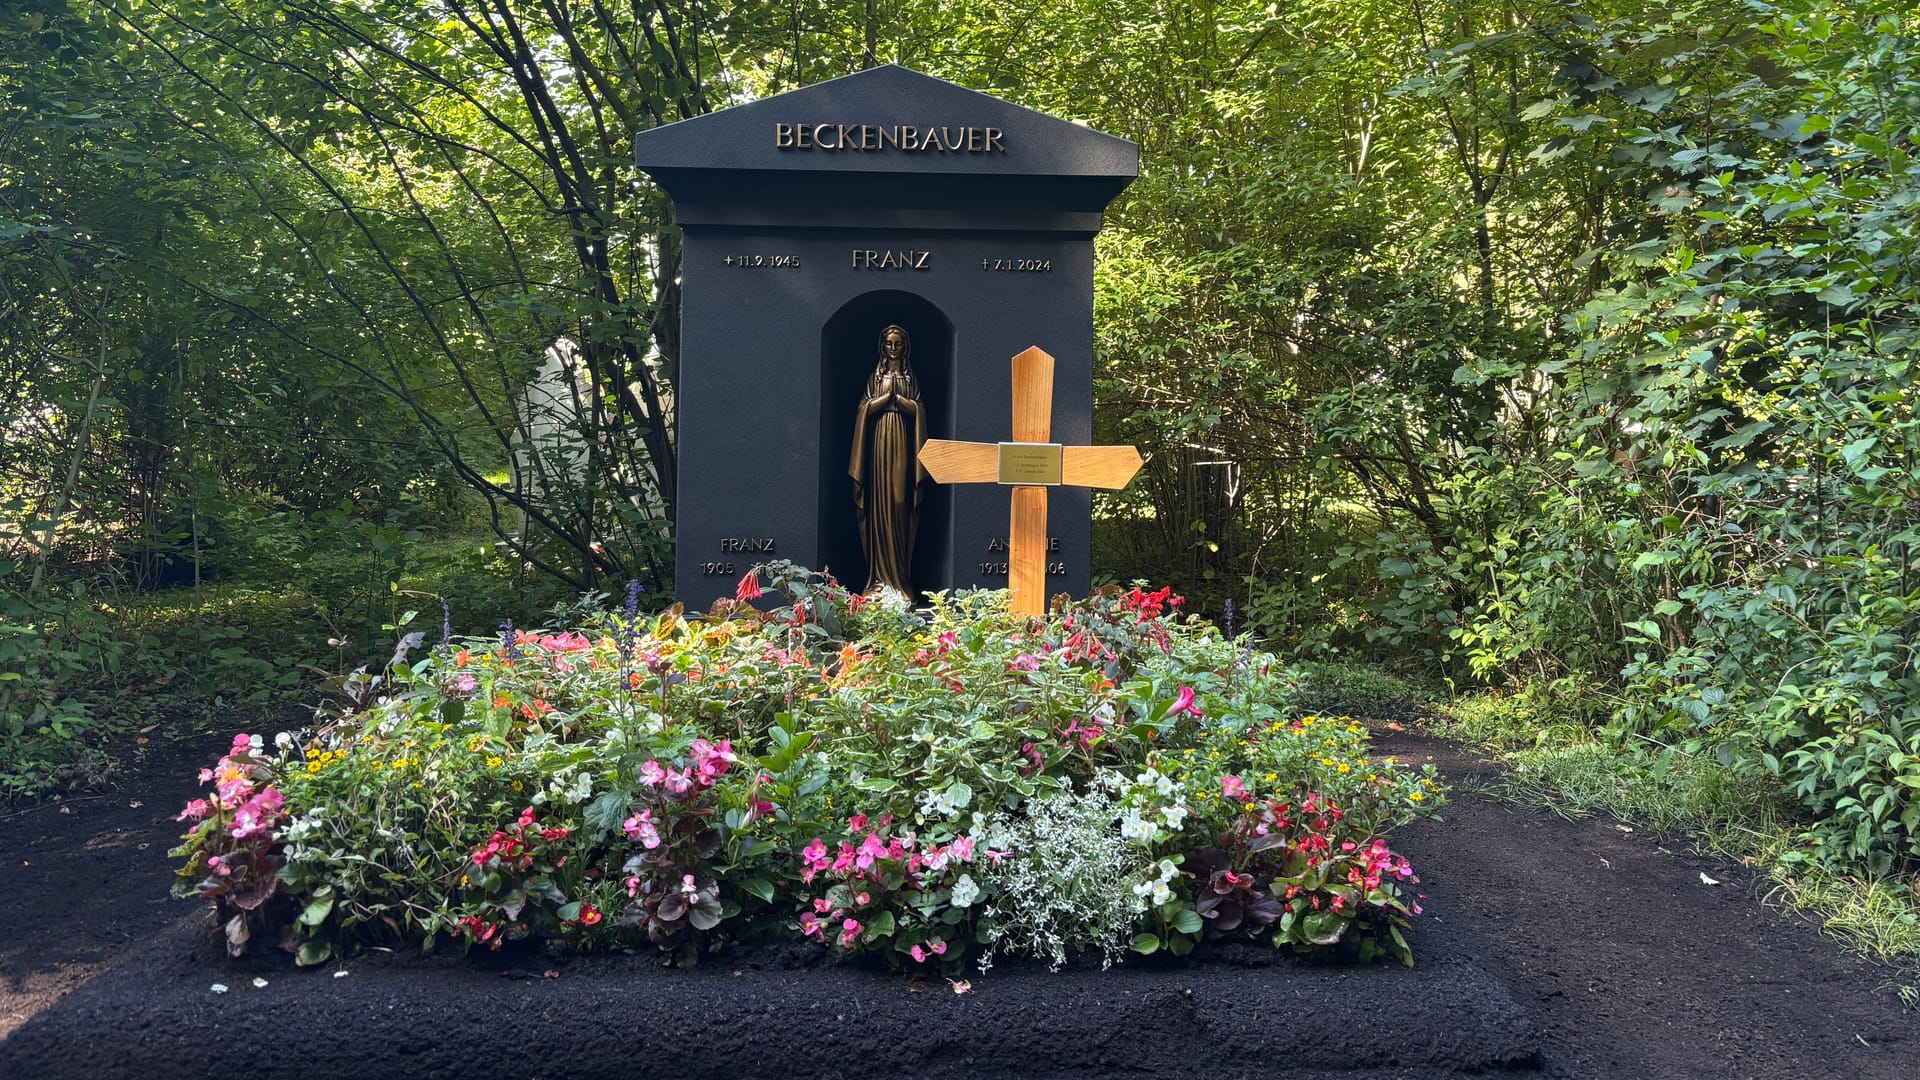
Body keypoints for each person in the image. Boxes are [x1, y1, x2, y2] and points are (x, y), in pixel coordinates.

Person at [848, 324, 927, 594]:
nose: (893, 348)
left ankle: (900, 577)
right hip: (878, 444)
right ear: (883, 346)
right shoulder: (876, 376)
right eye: (889, 344)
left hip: (903, 442)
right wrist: (880, 403)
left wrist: (904, 404)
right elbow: (863, 408)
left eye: (898, 344)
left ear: (905, 347)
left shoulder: (909, 376)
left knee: (899, 500)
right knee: (878, 503)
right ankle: (880, 578)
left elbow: (919, 409)